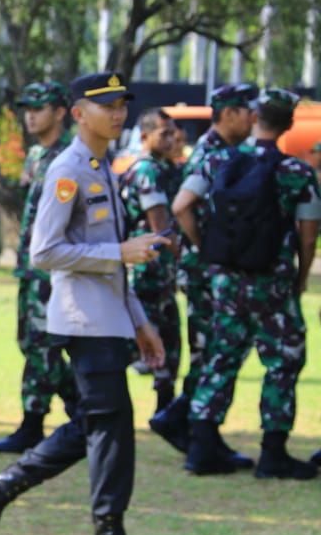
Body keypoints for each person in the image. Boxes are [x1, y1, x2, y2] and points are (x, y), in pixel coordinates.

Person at [0, 72, 175, 535]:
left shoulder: (102, 167)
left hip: (109, 321)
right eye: (107, 106)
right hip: (83, 322)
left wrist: (140, 323)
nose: (118, 114)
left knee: (94, 427)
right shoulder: (69, 169)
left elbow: (115, 266)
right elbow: (43, 252)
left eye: (122, 105)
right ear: (78, 114)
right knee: (112, 429)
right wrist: (118, 252)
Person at [177, 88, 320, 479]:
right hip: (272, 284)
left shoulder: (220, 161)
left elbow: (180, 207)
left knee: (222, 356)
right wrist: (301, 277)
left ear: (254, 118)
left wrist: (208, 250)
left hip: (226, 283)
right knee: (283, 361)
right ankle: (273, 453)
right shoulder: (297, 173)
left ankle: (202, 447)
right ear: (290, 123)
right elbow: (308, 235)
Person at [149, 84, 257, 467]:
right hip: (208, 276)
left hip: (209, 273)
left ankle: (190, 425)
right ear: (228, 114)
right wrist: (208, 248)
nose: (253, 118)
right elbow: (182, 207)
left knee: (214, 352)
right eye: (248, 111)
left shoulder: (226, 153)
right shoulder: (213, 156)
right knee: (217, 351)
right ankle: (197, 434)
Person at [0, 81, 79, 453]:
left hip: (53, 270)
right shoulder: (37, 155)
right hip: (31, 267)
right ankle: (85, 408)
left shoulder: (70, 156)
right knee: (29, 341)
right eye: (26, 108)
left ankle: (33, 422)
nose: (30, 115)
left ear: (60, 112)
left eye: (38, 108)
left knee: (43, 346)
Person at [118, 109, 181, 414]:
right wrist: (188, 259)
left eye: (172, 132)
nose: (171, 139)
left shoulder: (165, 168)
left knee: (169, 341)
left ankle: (164, 409)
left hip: (161, 273)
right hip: (147, 272)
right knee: (137, 342)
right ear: (144, 136)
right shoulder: (147, 170)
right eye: (163, 133)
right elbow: (162, 228)